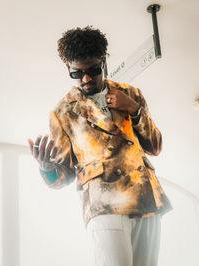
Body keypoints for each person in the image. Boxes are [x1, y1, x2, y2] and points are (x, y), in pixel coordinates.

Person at [28, 26, 172, 266]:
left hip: (145, 197)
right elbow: (63, 176)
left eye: (93, 71)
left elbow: (155, 146)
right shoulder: (63, 112)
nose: (85, 79)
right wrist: (46, 167)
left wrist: (135, 111)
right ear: (68, 68)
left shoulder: (130, 93)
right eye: (77, 73)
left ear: (103, 62)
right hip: (103, 203)